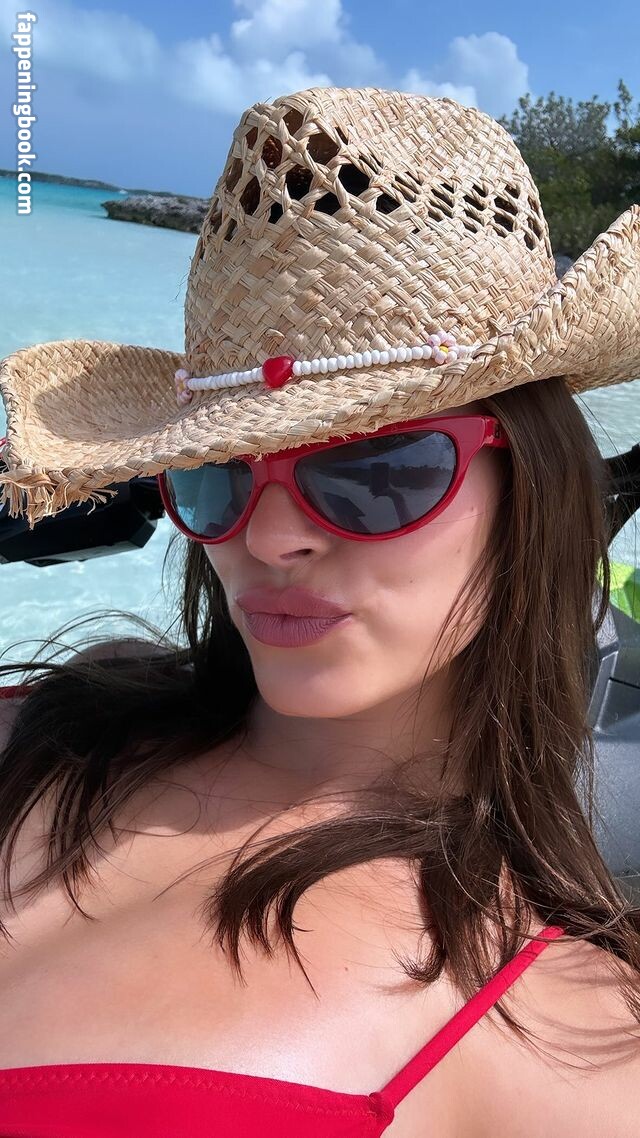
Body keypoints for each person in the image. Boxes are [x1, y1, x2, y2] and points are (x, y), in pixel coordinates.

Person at [0, 85, 639, 1137]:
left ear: (534, 488)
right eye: (216, 473)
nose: (267, 538)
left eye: (374, 471)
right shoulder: (54, 729)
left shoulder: (569, 1039)